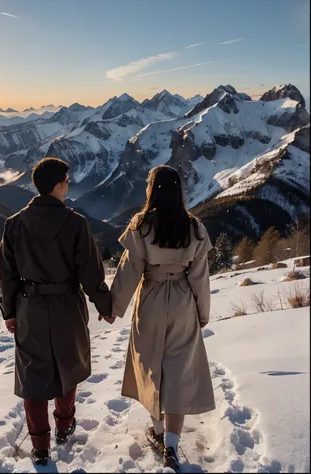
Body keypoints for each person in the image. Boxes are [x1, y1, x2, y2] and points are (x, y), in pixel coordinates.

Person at [0, 157, 112, 466]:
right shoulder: (76, 223)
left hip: (30, 308)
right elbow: (90, 272)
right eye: (67, 181)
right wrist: (105, 306)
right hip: (66, 307)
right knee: (68, 366)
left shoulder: (14, 224)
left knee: (32, 375)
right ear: (59, 184)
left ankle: (40, 446)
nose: (69, 186)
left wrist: (9, 311)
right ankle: (64, 425)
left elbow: (6, 274)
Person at [105, 165, 215, 472]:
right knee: (178, 370)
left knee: (149, 364)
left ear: (152, 191)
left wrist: (113, 308)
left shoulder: (141, 226)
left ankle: (157, 428)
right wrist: (202, 314)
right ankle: (171, 446)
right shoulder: (194, 228)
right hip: (182, 301)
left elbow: (129, 272)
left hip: (151, 298)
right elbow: (200, 278)